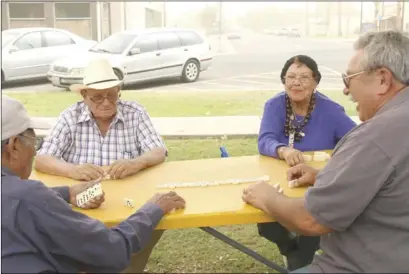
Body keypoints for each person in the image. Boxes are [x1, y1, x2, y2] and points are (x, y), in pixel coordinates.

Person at [243, 30, 409, 273]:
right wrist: (322, 175)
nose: (345, 90)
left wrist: (266, 195)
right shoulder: (275, 105)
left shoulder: (372, 134)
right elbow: (389, 183)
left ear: (383, 80)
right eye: (290, 77)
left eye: (349, 79)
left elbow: (311, 219)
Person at [1, 95, 186, 273]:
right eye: (35, 142)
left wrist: (68, 192)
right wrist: (153, 209)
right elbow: (112, 250)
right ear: (14, 146)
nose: (34, 152)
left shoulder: (22, 198)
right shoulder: (30, 197)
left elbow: (16, 200)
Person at [34, 58, 168, 273]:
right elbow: (42, 159)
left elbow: (158, 151)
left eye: (111, 95)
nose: (106, 102)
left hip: (128, 204)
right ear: (84, 96)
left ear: (119, 91)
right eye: (97, 97)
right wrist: (73, 170)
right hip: (83, 208)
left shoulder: (135, 112)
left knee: (147, 226)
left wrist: (137, 162)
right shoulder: (70, 116)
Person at [257, 55, 356, 270]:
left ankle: (298, 259)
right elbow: (264, 139)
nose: (297, 82)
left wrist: (332, 163)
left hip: (317, 182)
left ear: (315, 82)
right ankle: (291, 249)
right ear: (284, 81)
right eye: (291, 77)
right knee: (267, 224)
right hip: (281, 180)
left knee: (311, 224)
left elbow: (355, 139)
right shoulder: (274, 105)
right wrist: (282, 149)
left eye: (304, 77)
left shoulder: (331, 110)